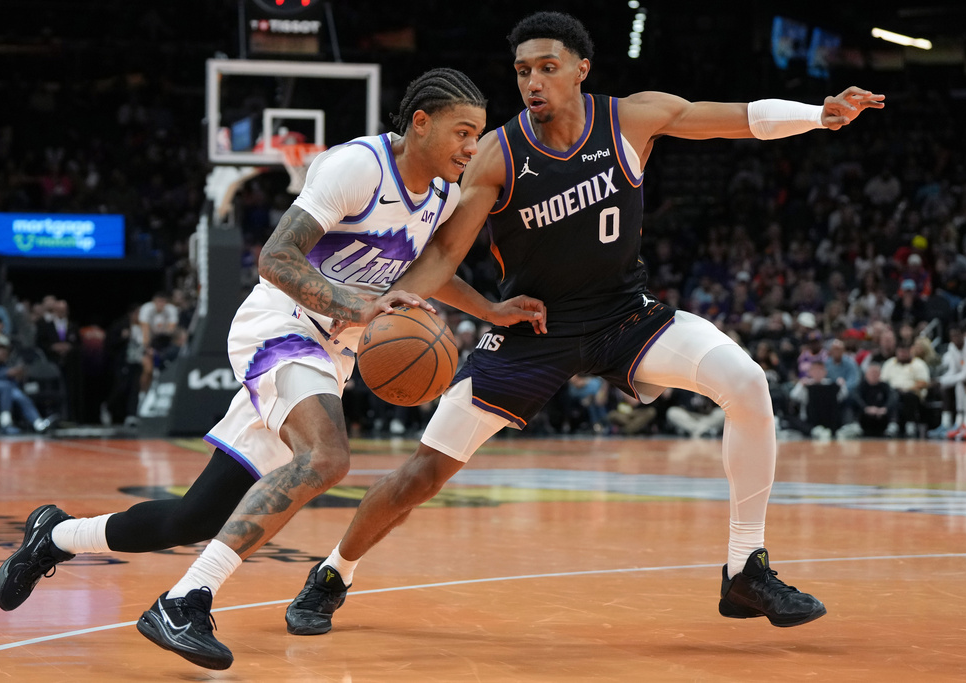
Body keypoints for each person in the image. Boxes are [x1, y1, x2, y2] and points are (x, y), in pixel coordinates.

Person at [283, 11, 882, 647]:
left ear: (580, 70)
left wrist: (819, 114)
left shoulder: (631, 118)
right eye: (522, 72)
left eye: (547, 67)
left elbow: (737, 118)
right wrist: (389, 301)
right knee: (425, 474)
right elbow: (442, 256)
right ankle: (332, 573)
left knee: (746, 381)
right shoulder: (497, 154)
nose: (533, 82)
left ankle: (745, 567)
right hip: (533, 330)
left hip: (624, 314)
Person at [0, 69, 543, 670]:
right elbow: (275, 258)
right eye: (463, 132)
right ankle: (184, 602)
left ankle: (55, 535)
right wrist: (357, 305)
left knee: (191, 518)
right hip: (279, 327)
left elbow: (431, 273)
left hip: (330, 354)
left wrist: (489, 308)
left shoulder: (438, 196)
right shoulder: (356, 167)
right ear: (420, 122)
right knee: (327, 458)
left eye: (478, 135)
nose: (472, 147)